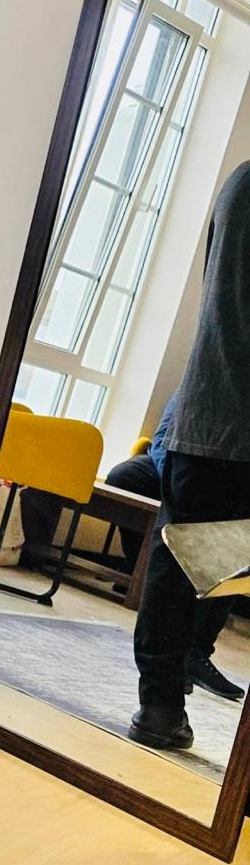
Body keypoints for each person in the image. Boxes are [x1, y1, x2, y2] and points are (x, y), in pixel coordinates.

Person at [132, 163, 250, 749]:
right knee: (191, 566)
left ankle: (168, 691)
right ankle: (162, 697)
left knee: (210, 568)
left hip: (211, 418)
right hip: (220, 422)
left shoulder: (241, 182)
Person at [102, 396, 245, 704]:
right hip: (181, 461)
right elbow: (163, 437)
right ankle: (135, 570)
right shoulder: (197, 391)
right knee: (125, 475)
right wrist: (174, 480)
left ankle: (195, 655)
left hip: (225, 466)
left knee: (234, 544)